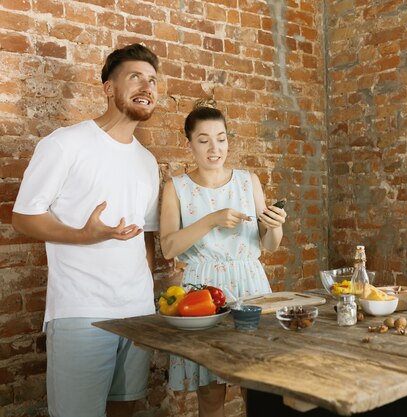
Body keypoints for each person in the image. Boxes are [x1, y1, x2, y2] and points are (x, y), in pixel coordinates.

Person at [12, 44, 161, 417]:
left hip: (138, 313)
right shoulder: (65, 144)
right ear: (108, 88)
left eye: (153, 80)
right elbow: (23, 217)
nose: (147, 86)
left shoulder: (147, 161)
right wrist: (84, 235)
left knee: (125, 410)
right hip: (82, 313)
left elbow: (146, 236)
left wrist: (149, 296)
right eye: (135, 77)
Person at [159, 101, 286, 417]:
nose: (214, 148)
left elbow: (269, 244)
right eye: (203, 140)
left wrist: (275, 225)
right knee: (211, 390)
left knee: (258, 387)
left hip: (250, 284)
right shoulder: (176, 188)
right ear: (189, 144)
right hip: (203, 290)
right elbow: (169, 248)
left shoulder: (248, 181)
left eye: (221, 138)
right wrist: (210, 220)